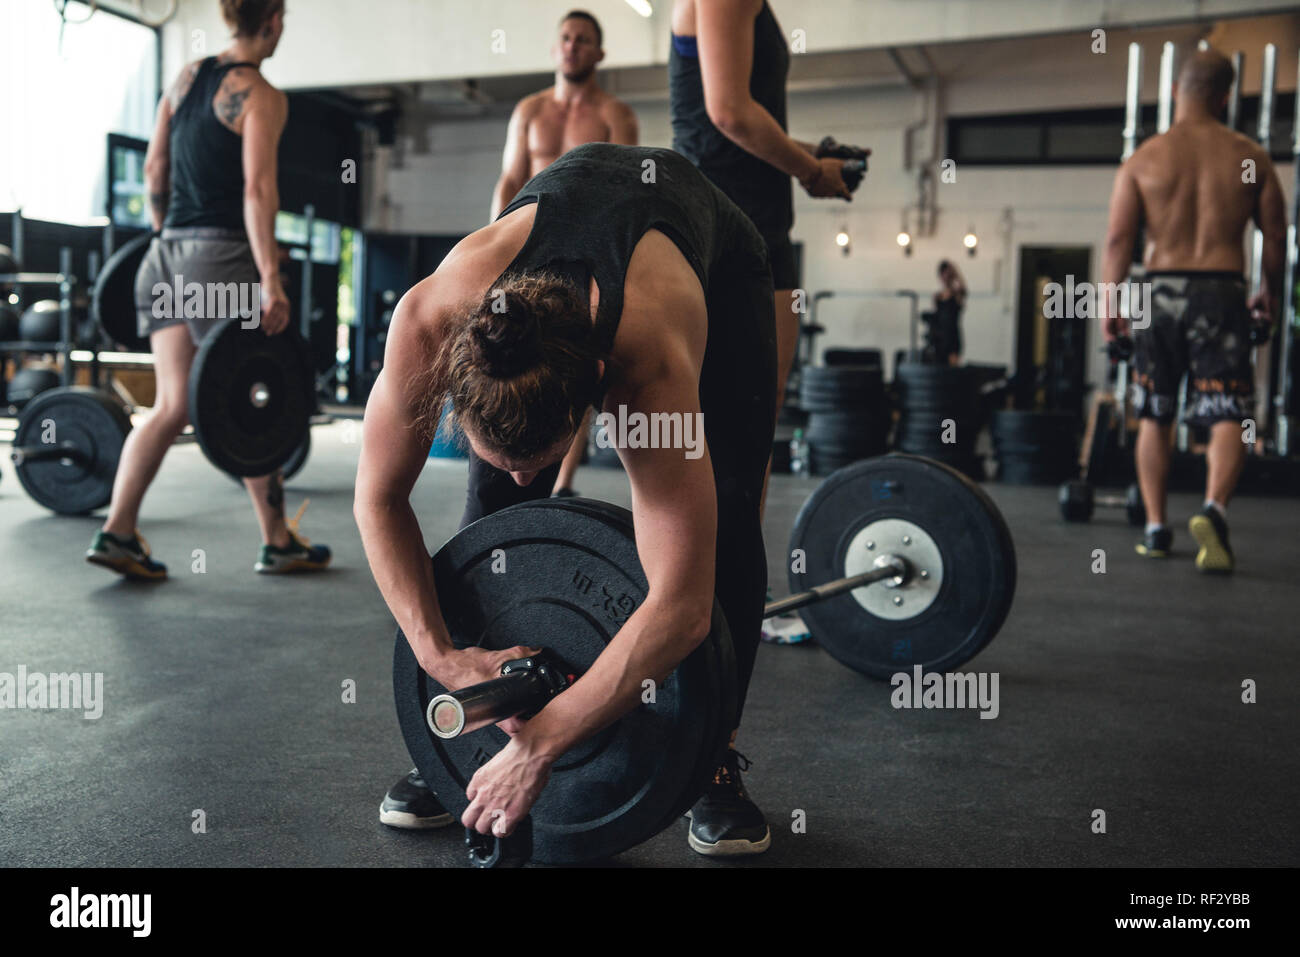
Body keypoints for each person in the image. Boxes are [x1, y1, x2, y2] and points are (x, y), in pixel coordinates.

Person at [363, 143, 776, 856]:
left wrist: (545, 742)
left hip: (718, 258)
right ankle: (476, 732)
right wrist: (443, 658)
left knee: (728, 518)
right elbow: (377, 501)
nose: (530, 482)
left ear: (594, 390)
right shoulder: (428, 318)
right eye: (508, 459)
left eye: (543, 462)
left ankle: (715, 759)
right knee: (490, 512)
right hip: (570, 203)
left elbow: (680, 606)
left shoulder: (649, 358)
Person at [85, 0, 330, 581]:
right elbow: (257, 191)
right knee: (248, 393)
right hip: (218, 259)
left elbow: (153, 171)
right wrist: (271, 279)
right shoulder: (262, 96)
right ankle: (275, 542)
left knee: (172, 405)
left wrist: (165, 232)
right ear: (271, 22)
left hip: (162, 256)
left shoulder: (188, 76)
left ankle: (118, 531)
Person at [1100, 49, 1286, 573]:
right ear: (1227, 97)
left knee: (1155, 412)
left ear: (1177, 91)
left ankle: (1157, 528)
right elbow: (1275, 237)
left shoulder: (1143, 158)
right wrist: (1269, 293)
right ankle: (1213, 508)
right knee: (1228, 412)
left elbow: (1117, 239)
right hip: (1222, 291)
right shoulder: (1250, 157)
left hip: (1157, 292)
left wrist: (1110, 302)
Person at [490, 10, 638, 500]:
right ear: (556, 49)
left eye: (585, 40)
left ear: (599, 53)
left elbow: (628, 196)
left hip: (585, 253)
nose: (574, 46)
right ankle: (515, 462)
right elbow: (510, 180)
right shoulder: (530, 110)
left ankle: (562, 482)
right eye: (567, 38)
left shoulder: (616, 115)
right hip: (527, 246)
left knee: (577, 364)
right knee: (513, 353)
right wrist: (491, 247)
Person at [929, 259, 966, 366]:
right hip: (940, 338)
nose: (945, 278)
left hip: (952, 337)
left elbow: (963, 289)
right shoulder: (937, 296)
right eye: (943, 274)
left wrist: (955, 272)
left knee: (952, 368)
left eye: (947, 274)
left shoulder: (957, 294)